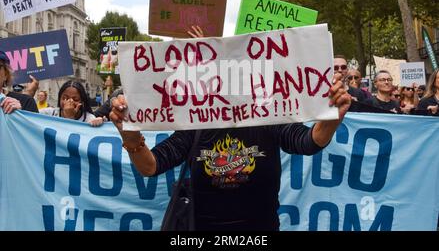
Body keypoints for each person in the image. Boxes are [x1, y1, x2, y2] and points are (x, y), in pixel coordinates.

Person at [109, 28, 352, 231]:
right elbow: (151, 166)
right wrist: (131, 137)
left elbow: (308, 142)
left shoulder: (268, 115)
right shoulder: (196, 120)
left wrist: (332, 118)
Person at [40, 80, 104, 127]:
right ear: (59, 98)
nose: (70, 102)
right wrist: (30, 92)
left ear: (82, 102)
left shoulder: (89, 119)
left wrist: (70, 117)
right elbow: (30, 116)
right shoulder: (49, 113)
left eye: (75, 99)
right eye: (65, 98)